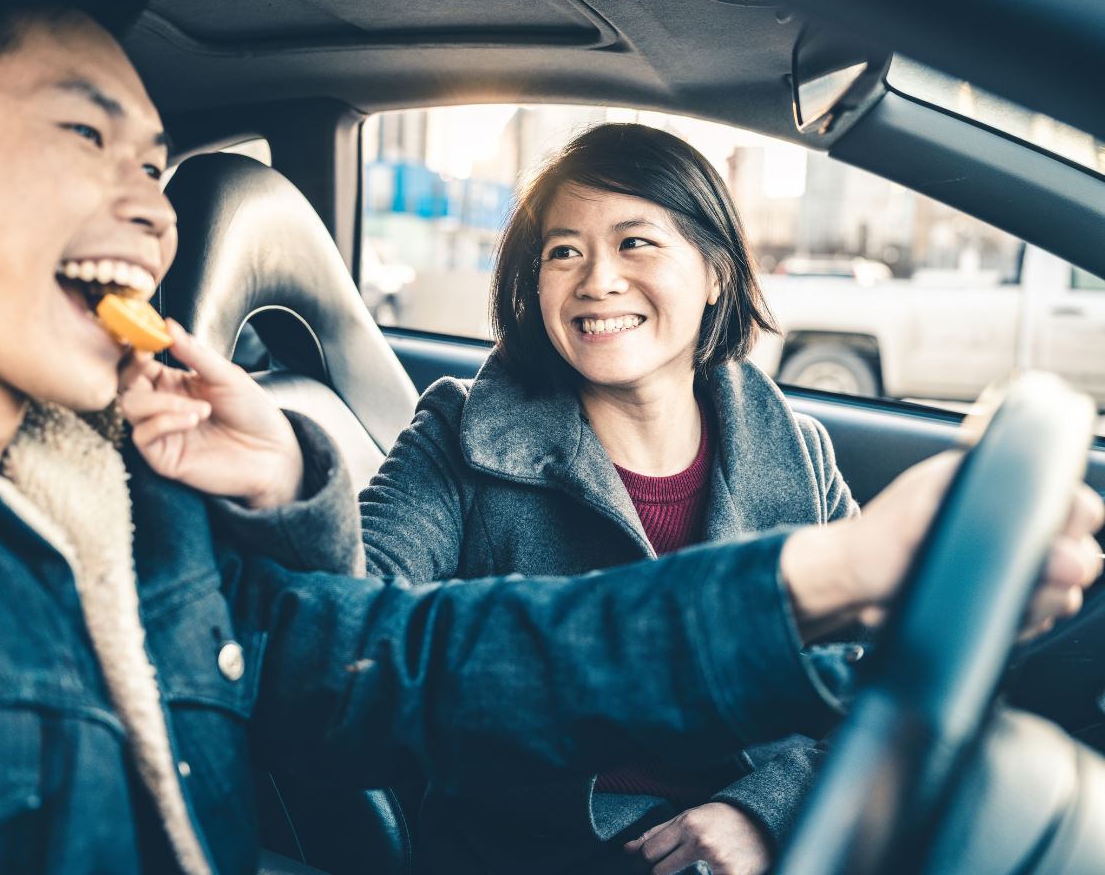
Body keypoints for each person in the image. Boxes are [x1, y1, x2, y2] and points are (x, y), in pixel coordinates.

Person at [0, 0, 1098, 875]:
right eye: (86, 133)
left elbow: (405, 669)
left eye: (157, 164)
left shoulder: (133, 498)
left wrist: (829, 575)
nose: (151, 210)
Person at [356, 122, 853, 874]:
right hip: (534, 850)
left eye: (635, 243)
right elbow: (351, 616)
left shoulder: (798, 452)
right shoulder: (460, 432)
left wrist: (765, 814)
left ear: (716, 273)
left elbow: (882, 675)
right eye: (563, 252)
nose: (597, 281)